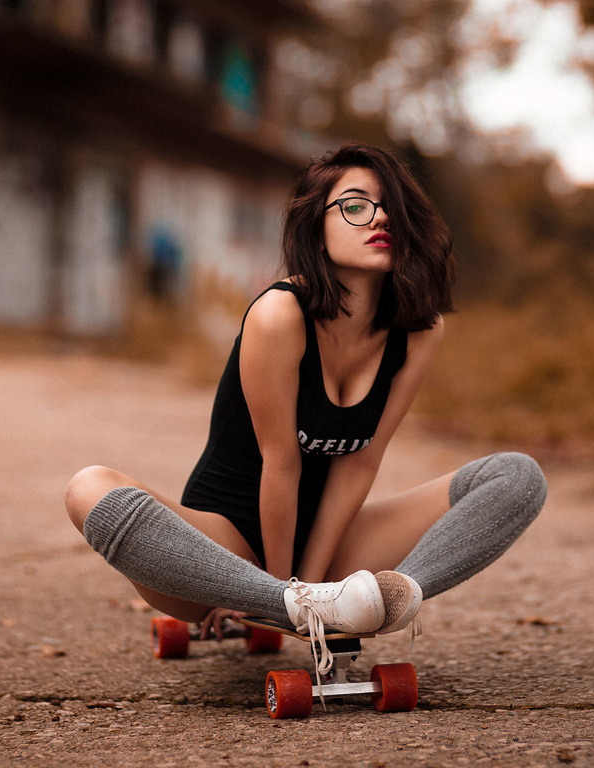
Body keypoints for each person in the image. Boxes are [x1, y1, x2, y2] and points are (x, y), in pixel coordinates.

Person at [64, 142, 547, 671]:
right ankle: (282, 600)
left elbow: (361, 460)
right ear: (316, 226)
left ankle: (394, 598)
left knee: (517, 476)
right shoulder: (279, 314)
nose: (380, 216)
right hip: (225, 550)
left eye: (391, 206)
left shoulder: (419, 330)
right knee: (89, 488)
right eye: (356, 205)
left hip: (332, 547)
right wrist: (280, 594)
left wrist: (314, 586)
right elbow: (281, 462)